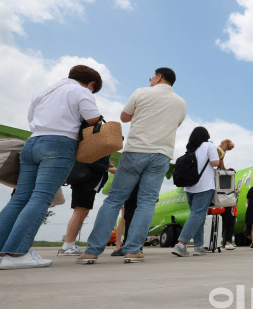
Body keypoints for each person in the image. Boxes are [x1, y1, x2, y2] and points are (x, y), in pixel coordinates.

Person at [0, 65, 103, 269]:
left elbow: (31, 120)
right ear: (91, 84)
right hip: (59, 144)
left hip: (32, 143)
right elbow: (93, 120)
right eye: (93, 89)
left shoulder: (43, 91)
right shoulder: (80, 91)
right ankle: (17, 253)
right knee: (41, 197)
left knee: (20, 197)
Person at [78, 67, 186, 264]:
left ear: (158, 77)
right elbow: (175, 125)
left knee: (114, 200)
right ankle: (133, 250)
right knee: (146, 202)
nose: (151, 79)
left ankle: (92, 251)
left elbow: (124, 117)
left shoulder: (141, 92)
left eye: (152, 77)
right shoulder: (181, 103)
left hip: (135, 150)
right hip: (161, 155)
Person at [171, 127, 220, 257]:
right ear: (206, 135)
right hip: (204, 186)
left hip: (189, 187)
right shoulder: (209, 145)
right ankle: (181, 244)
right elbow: (215, 163)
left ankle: (199, 246)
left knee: (199, 215)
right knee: (197, 214)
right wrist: (219, 157)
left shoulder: (191, 148)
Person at [59, 158, 116, 256]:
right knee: (79, 211)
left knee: (82, 212)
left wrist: (107, 165)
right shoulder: (92, 146)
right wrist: (109, 169)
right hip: (85, 182)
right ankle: (67, 245)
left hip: (88, 182)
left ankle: (69, 244)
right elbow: (90, 160)